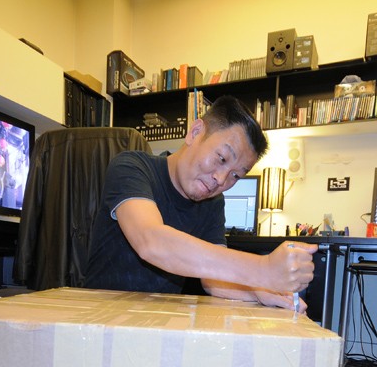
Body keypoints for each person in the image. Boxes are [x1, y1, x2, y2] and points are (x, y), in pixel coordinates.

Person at [83, 95, 317, 313]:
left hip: (156, 320)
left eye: (236, 175)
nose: (221, 180)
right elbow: (151, 241)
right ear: (195, 133)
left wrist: (258, 291)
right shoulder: (131, 167)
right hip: (98, 315)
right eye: (222, 158)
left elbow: (213, 280)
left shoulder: (212, 203)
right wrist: (263, 269)